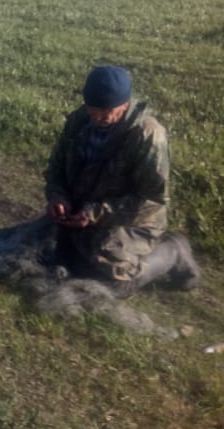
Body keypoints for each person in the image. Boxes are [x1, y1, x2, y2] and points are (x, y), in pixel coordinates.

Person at [44, 65, 200, 296]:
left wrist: (94, 213)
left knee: (111, 285)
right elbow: (56, 167)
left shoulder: (146, 135)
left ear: (125, 105)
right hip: (82, 215)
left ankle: (173, 251)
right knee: (55, 260)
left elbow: (151, 199)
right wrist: (59, 196)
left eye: (106, 113)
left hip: (132, 222)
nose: (98, 118)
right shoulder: (79, 120)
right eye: (93, 110)